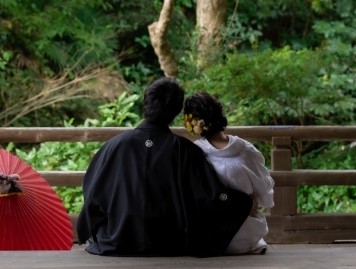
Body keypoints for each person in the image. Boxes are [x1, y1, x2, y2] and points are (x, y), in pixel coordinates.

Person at [77, 77, 254, 257]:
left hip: (117, 240)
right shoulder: (185, 150)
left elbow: (93, 192)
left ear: (145, 103)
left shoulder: (113, 147)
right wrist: (242, 201)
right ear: (176, 111)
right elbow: (207, 198)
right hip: (170, 244)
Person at [184, 92, 275, 254]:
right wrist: (251, 202)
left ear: (193, 123)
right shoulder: (246, 150)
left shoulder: (194, 152)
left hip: (210, 236)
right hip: (247, 236)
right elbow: (264, 191)